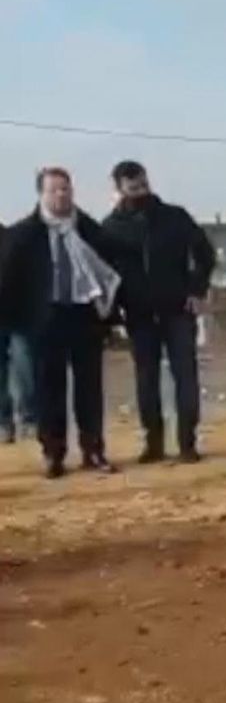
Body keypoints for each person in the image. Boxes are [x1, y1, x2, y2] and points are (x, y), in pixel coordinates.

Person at [0, 168, 126, 478]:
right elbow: (7, 281)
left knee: (89, 388)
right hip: (45, 320)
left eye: (66, 189)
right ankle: (53, 453)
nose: (61, 195)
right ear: (41, 194)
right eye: (54, 190)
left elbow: (113, 272)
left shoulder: (91, 231)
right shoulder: (23, 235)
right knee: (49, 389)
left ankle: (93, 449)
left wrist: (112, 315)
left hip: (85, 316)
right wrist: (17, 319)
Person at [101, 160, 215, 463]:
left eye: (143, 185)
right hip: (138, 315)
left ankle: (187, 443)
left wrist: (196, 289)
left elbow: (204, 253)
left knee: (186, 376)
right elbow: (104, 273)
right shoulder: (111, 229)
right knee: (146, 380)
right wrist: (114, 314)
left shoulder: (174, 217)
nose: (139, 191)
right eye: (132, 187)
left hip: (178, 309)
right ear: (119, 189)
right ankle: (154, 443)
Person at [0, 220, 36, 444]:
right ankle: (4, 423)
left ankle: (29, 418)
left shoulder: (12, 238)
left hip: (17, 316)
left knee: (25, 366)